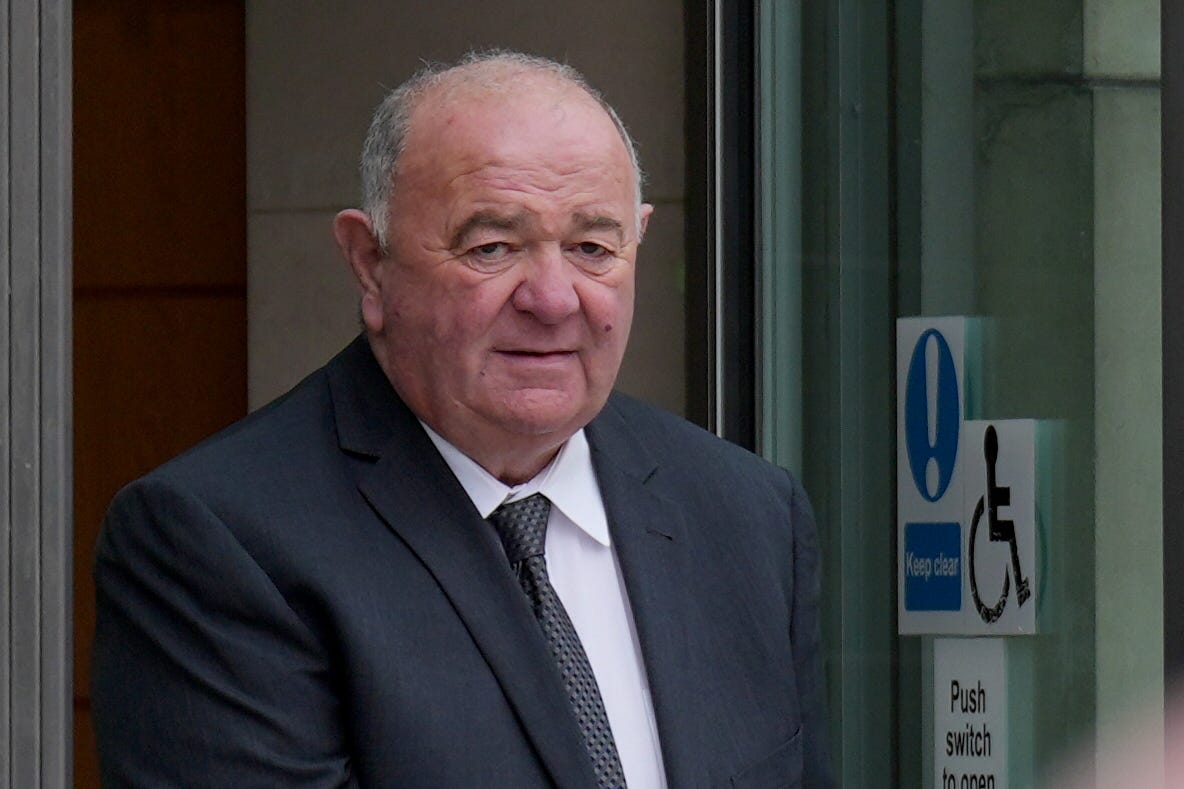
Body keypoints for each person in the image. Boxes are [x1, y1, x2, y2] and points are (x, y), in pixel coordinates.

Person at [91, 50, 832, 788]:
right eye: (493, 247)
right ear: (369, 264)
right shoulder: (220, 542)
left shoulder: (746, 514)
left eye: (591, 247)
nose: (553, 299)